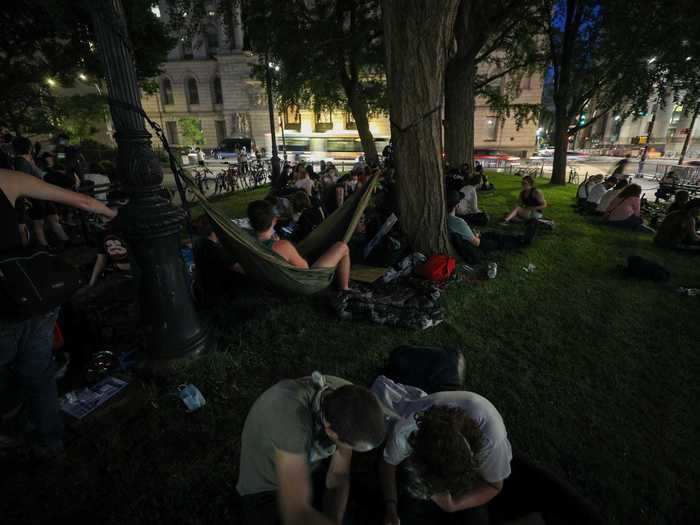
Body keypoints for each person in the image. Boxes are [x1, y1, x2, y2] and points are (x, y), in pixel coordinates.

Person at [0, 168, 116, 456]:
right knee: (39, 374)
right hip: (33, 293)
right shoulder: (6, 179)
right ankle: (50, 442)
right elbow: (83, 202)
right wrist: (116, 216)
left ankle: (15, 428)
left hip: (9, 306)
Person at [237, 373, 386, 525]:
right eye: (352, 447)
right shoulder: (291, 423)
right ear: (330, 432)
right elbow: (296, 513)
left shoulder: (349, 399)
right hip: (268, 488)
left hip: (308, 469)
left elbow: (338, 474)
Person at [374, 375, 512, 525]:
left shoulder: (492, 445)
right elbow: (388, 463)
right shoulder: (407, 429)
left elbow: (494, 486)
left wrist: (452, 506)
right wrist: (391, 509)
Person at [247, 200, 354, 291]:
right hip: (304, 283)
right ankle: (345, 289)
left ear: (250, 223)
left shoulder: (248, 244)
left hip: (273, 281)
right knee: (342, 247)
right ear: (274, 220)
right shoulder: (283, 246)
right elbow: (305, 269)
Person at [447, 191, 535, 264]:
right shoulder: (458, 222)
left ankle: (520, 238)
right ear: (457, 205)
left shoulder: (447, 218)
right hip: (476, 246)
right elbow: (476, 243)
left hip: (469, 241)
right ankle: (523, 240)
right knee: (499, 241)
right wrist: (476, 235)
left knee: (493, 234)